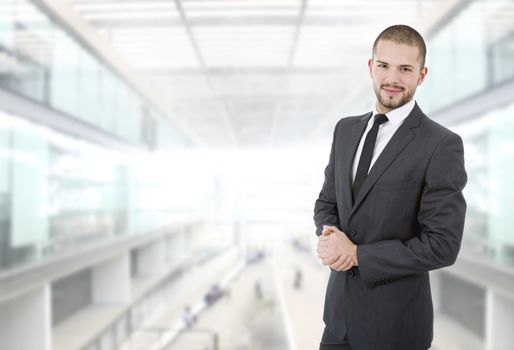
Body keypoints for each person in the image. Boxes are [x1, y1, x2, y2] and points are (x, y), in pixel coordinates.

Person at [313, 24, 467, 350]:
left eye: (405, 69)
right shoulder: (345, 131)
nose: (392, 79)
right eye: (383, 65)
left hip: (394, 330)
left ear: (421, 75)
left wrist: (357, 255)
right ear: (371, 67)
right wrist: (329, 237)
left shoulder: (441, 145)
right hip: (337, 323)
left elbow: (442, 245)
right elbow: (327, 202)